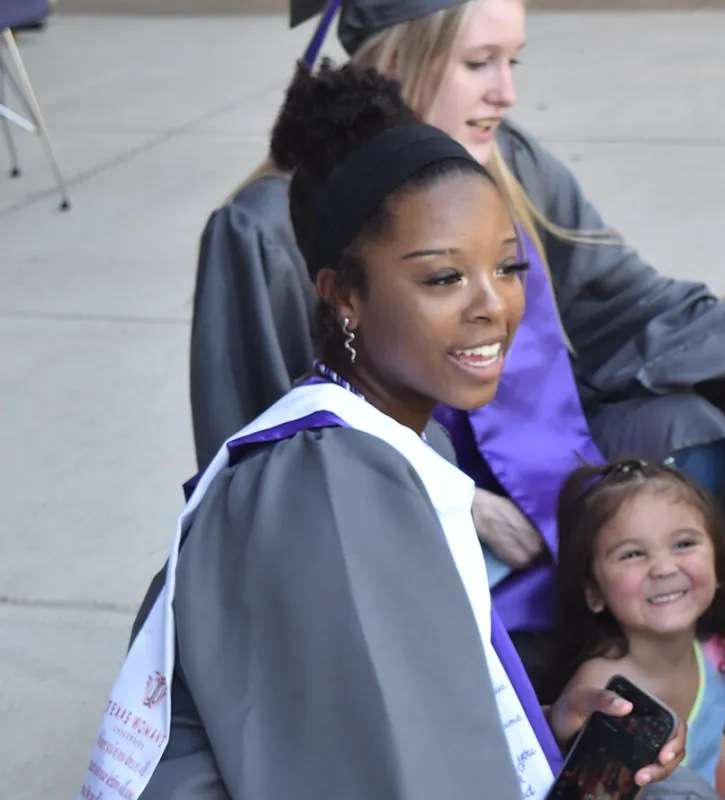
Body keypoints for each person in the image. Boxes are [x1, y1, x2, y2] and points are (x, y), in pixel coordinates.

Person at [189, 0, 725, 747]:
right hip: (388, 502)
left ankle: (699, 723)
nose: (505, 92)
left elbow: (625, 306)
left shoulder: (509, 161)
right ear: (392, 61)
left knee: (686, 439)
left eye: (514, 62)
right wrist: (452, 498)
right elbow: (261, 442)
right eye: (479, 64)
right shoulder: (267, 227)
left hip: (537, 461)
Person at [80, 62, 684, 799]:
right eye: (442, 278)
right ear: (343, 298)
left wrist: (548, 722)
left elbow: (390, 719)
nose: (492, 305)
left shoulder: (369, 445)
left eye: (509, 266)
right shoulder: (329, 486)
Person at [551, 459, 725, 799]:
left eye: (683, 544)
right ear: (594, 592)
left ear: (719, 564)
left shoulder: (713, 652)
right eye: (633, 554)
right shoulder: (601, 694)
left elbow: (711, 742)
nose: (663, 568)